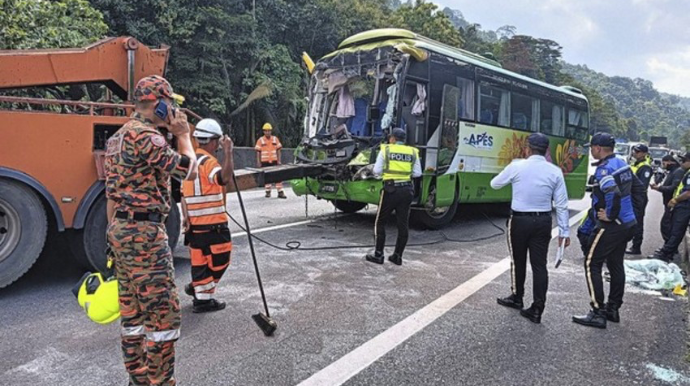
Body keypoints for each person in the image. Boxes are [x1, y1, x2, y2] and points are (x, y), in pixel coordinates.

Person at [104, 75, 197, 386]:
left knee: (132, 316)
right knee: (162, 317)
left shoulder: (117, 138)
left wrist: (111, 237)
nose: (172, 110)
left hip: (120, 228)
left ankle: (138, 378)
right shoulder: (147, 137)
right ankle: (160, 381)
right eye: (169, 104)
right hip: (144, 233)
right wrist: (182, 134)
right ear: (158, 103)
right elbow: (188, 170)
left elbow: (109, 195)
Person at [490, 133, 570, 324]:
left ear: (527, 148)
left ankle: (517, 297)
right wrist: (564, 232)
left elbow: (495, 184)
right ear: (547, 150)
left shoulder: (517, 165)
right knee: (539, 265)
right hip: (543, 221)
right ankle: (537, 308)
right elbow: (562, 204)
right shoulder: (555, 171)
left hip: (519, 221)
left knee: (518, 260)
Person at [573, 133, 636, 329]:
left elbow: (613, 194)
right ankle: (613, 308)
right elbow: (638, 189)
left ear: (598, 148)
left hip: (612, 225)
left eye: (592, 147)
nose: (591, 150)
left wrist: (610, 215)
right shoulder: (621, 164)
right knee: (616, 264)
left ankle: (597, 311)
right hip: (628, 223)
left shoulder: (604, 170)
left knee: (592, 263)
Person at [181, 118, 234, 313]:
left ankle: (202, 299)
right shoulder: (208, 162)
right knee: (221, 259)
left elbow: (183, 194)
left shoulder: (190, 163)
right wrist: (228, 152)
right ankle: (199, 289)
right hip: (213, 226)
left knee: (200, 261)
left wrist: (185, 217)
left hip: (195, 226)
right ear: (213, 141)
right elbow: (224, 178)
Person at [366, 127, 422, 266]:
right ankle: (397, 256)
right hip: (407, 191)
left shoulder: (386, 150)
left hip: (391, 190)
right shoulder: (413, 152)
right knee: (403, 224)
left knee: (380, 222)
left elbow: (377, 170)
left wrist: (384, 173)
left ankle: (378, 254)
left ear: (392, 139)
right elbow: (417, 174)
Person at [648, 153, 690, 263]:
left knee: (676, 230)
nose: (681, 163)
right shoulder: (685, 172)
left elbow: (688, 192)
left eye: (684, 161)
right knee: (673, 228)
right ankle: (668, 251)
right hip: (681, 204)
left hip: (684, 205)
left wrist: (675, 200)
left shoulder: (682, 172)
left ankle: (667, 253)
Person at [650, 155, 684, 248]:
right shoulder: (672, 171)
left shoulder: (678, 171)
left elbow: (673, 187)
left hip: (673, 203)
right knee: (667, 226)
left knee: (667, 226)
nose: (663, 165)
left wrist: (659, 188)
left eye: (664, 162)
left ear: (670, 162)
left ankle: (669, 248)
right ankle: (668, 246)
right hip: (669, 203)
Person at [625, 144, 653, 255]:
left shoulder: (645, 167)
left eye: (637, 151)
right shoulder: (635, 164)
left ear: (644, 153)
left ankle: (636, 247)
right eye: (634, 151)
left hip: (638, 197)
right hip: (631, 195)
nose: (634, 153)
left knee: (637, 222)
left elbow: (642, 186)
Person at [255, 122, 286, 198]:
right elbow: (258, 152)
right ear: (264, 131)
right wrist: (258, 162)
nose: (267, 132)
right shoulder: (260, 140)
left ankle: (280, 192)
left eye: (269, 130)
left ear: (271, 131)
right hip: (265, 162)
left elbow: (278, 150)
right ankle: (268, 191)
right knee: (267, 177)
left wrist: (279, 160)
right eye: (266, 131)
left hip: (274, 161)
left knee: (278, 176)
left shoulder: (275, 139)